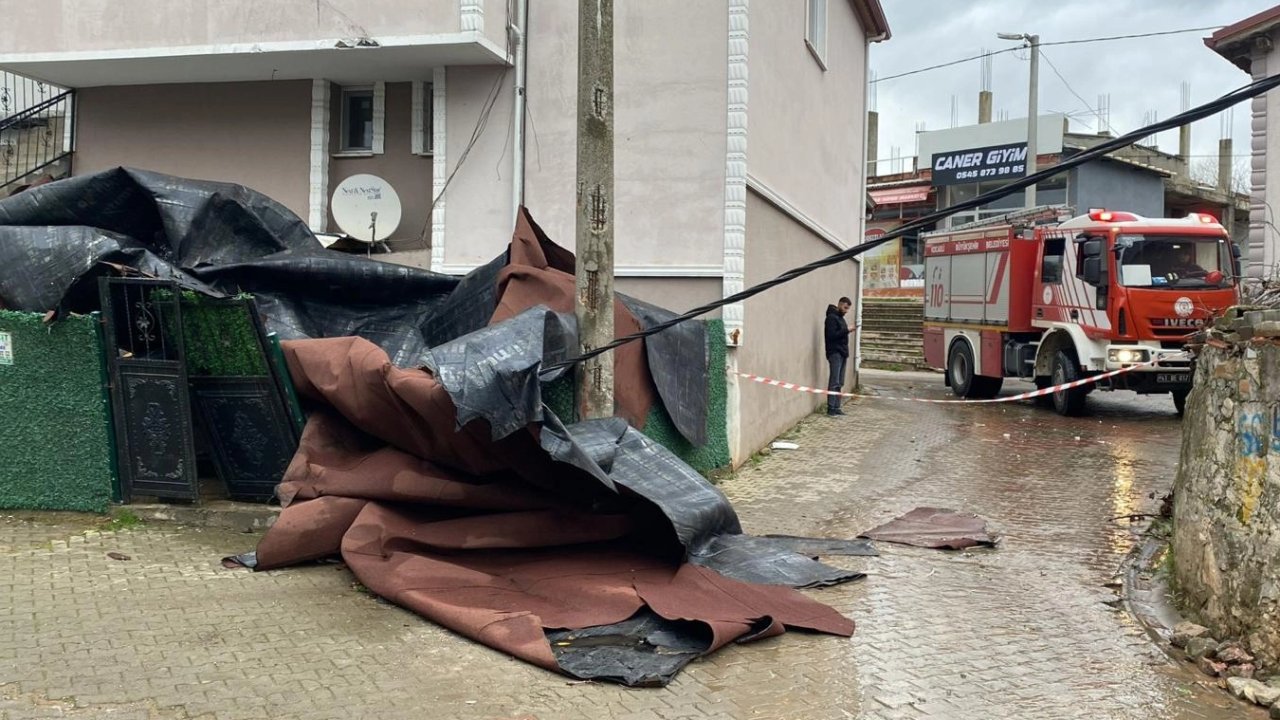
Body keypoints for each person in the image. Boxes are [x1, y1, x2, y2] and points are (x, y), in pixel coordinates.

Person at [824, 297, 855, 416]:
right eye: (845, 307)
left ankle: (837, 406)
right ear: (840, 304)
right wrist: (846, 330)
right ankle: (831, 407)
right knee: (834, 381)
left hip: (842, 353)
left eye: (848, 309)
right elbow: (832, 335)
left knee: (840, 382)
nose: (846, 311)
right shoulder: (831, 318)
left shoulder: (840, 318)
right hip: (835, 353)